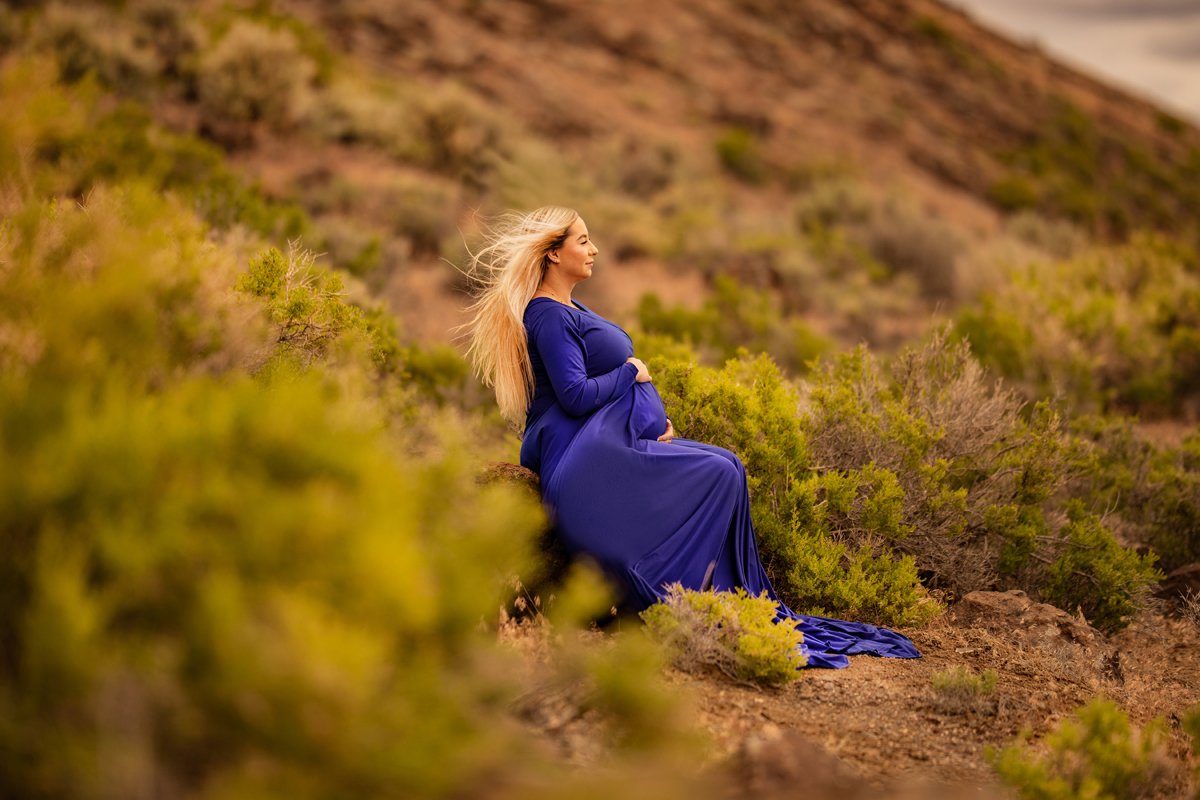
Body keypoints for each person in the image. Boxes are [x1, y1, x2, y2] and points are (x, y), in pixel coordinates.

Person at [465, 206, 919, 668]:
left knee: (728, 467)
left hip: (603, 446)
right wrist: (630, 373)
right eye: (583, 240)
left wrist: (643, 423)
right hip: (582, 462)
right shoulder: (547, 314)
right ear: (554, 254)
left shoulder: (567, 308)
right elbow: (576, 397)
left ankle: (718, 601)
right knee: (719, 473)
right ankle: (675, 598)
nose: (594, 248)